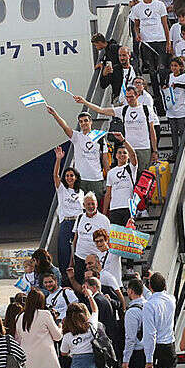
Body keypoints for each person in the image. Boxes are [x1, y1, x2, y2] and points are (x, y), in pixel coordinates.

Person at [74, 79, 158, 174]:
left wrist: (154, 150)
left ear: (137, 96)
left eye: (131, 97)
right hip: (128, 147)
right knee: (128, 175)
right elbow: (101, 110)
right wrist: (85, 102)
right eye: (127, 97)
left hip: (144, 148)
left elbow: (152, 131)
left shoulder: (146, 110)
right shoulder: (123, 110)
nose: (129, 100)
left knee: (143, 175)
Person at [46, 107, 109, 200]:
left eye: (85, 120)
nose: (83, 123)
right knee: (79, 205)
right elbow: (65, 127)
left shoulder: (100, 138)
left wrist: (110, 180)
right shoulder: (77, 136)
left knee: (96, 205)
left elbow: (105, 160)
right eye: (81, 122)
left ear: (91, 122)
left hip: (96, 179)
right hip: (80, 179)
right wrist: (55, 114)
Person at [130, 0, 171, 114]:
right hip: (147, 43)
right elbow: (136, 25)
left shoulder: (159, 5)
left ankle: (166, 97)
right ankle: (158, 104)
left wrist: (168, 42)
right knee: (152, 72)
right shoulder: (137, 8)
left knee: (162, 70)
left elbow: (165, 24)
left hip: (160, 40)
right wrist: (137, 34)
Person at [51, 147, 85, 276]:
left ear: (76, 177)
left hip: (78, 223)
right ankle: (65, 276)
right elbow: (55, 176)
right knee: (64, 251)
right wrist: (58, 159)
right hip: (66, 222)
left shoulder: (81, 193)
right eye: (67, 176)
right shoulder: (62, 190)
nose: (69, 178)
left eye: (72, 175)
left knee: (78, 250)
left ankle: (78, 274)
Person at [71, 193, 111, 283]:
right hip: (80, 258)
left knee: (95, 284)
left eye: (93, 204)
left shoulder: (104, 220)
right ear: (84, 205)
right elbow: (75, 240)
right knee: (80, 284)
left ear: (97, 204)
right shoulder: (80, 217)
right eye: (88, 204)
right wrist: (72, 261)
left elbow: (109, 241)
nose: (91, 206)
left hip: (96, 261)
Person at [102, 133, 138, 223]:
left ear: (128, 156)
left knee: (128, 231)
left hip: (128, 208)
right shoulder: (111, 172)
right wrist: (104, 213)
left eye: (125, 153)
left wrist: (123, 140)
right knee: (115, 233)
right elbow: (108, 194)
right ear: (116, 155)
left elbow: (133, 155)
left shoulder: (131, 167)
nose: (122, 155)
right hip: (114, 209)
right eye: (119, 153)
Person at [165, 57, 185, 159]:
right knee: (173, 132)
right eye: (172, 66)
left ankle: (183, 152)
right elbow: (167, 85)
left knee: (182, 131)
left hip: (180, 107)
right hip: (171, 107)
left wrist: (178, 85)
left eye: (176, 66)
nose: (173, 68)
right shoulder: (170, 76)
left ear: (181, 67)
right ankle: (175, 153)